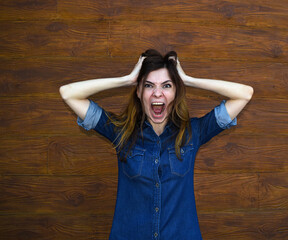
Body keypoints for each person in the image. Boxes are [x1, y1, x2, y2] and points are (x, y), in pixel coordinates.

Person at [59, 49, 253, 240]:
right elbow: (68, 93)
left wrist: (187, 80)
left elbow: (244, 94)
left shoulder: (193, 132)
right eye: (149, 86)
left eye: (167, 86)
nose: (158, 93)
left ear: (176, 92)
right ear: (139, 91)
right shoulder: (121, 131)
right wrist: (126, 79)